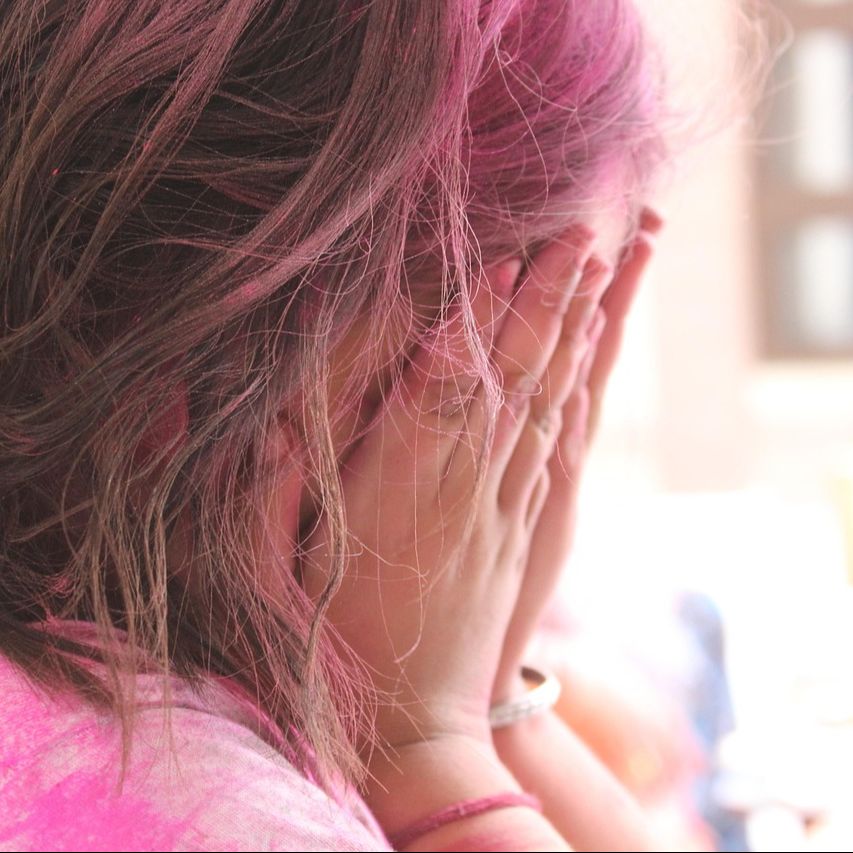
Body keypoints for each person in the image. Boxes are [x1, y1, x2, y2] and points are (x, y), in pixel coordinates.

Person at [0, 0, 669, 849]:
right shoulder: (201, 805)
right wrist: (425, 744)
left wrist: (491, 693)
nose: (517, 483)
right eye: (519, 385)